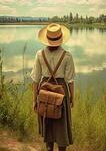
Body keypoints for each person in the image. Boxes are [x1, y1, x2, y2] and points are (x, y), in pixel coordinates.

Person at [30, 23, 75, 151]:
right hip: (61, 93)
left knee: (48, 129)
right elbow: (70, 81)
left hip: (44, 93)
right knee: (62, 129)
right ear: (60, 39)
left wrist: (34, 100)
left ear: (47, 39)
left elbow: (35, 80)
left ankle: (49, 148)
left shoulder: (39, 54)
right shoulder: (67, 56)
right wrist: (72, 98)